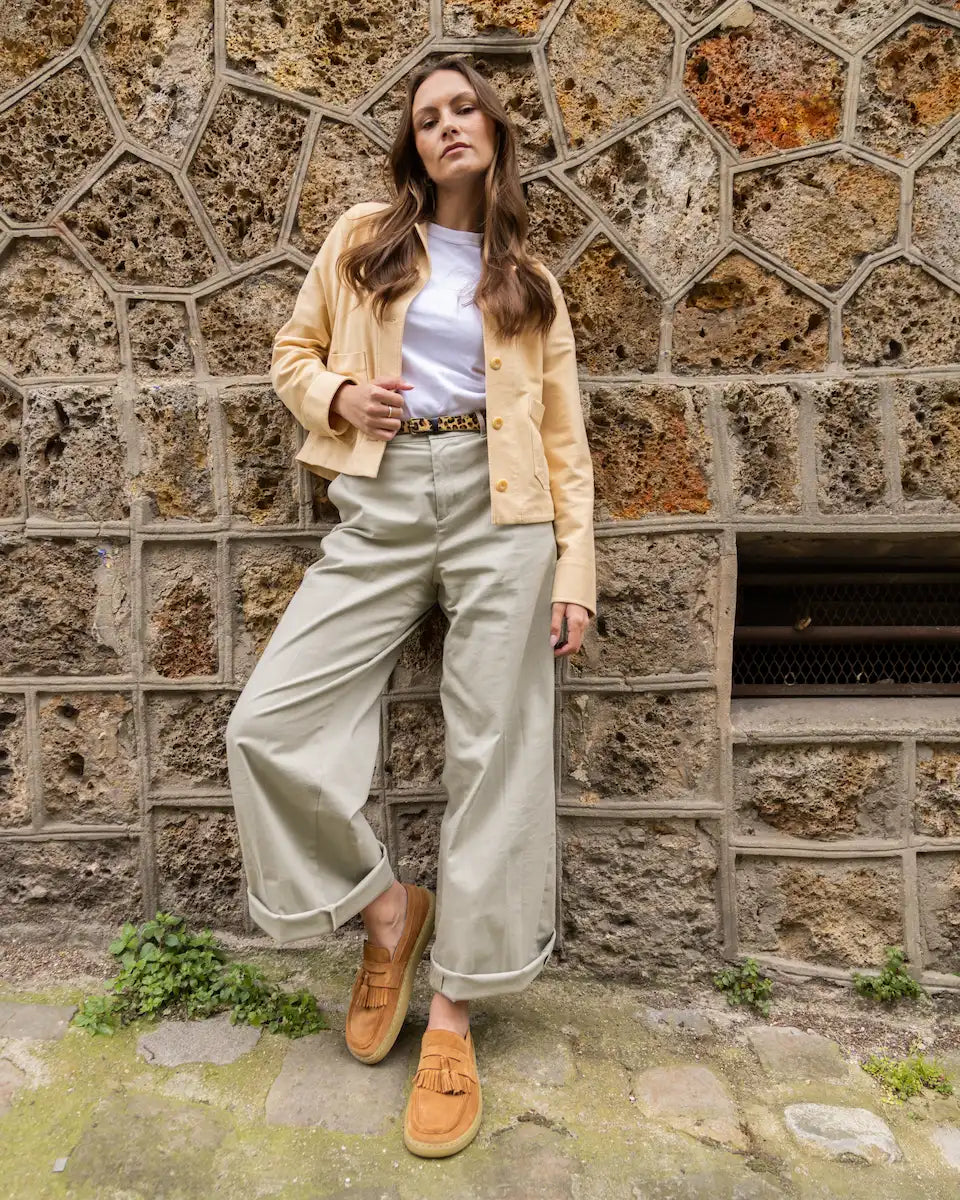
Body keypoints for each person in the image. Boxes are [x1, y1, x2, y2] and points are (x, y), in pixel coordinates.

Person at [224, 53, 595, 1159]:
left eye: (463, 109)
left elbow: (567, 439)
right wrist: (340, 392)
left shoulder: (530, 275)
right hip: (384, 499)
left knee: (497, 756)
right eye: (427, 116)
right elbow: (291, 352)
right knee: (268, 724)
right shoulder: (362, 241)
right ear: (413, 145)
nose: (446, 127)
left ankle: (453, 1012)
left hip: (506, 510)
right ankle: (388, 913)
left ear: (492, 129)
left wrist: (576, 567)